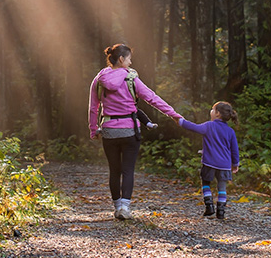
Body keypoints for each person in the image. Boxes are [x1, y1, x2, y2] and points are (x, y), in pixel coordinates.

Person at [89, 43, 183, 220]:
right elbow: (152, 98)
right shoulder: (131, 78)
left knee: (114, 170)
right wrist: (173, 114)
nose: (131, 63)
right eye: (130, 59)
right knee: (128, 170)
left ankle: (117, 208)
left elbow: (93, 108)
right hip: (130, 131)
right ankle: (125, 207)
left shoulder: (99, 79)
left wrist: (94, 129)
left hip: (109, 131)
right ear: (122, 59)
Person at [178, 101, 240, 219]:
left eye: (213, 109)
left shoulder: (209, 126)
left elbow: (194, 127)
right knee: (222, 187)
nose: (210, 111)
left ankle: (209, 206)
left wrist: (180, 121)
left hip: (209, 163)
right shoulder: (230, 131)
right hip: (224, 165)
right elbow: (234, 150)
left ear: (217, 114)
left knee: (206, 183)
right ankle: (221, 211)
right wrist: (235, 164)